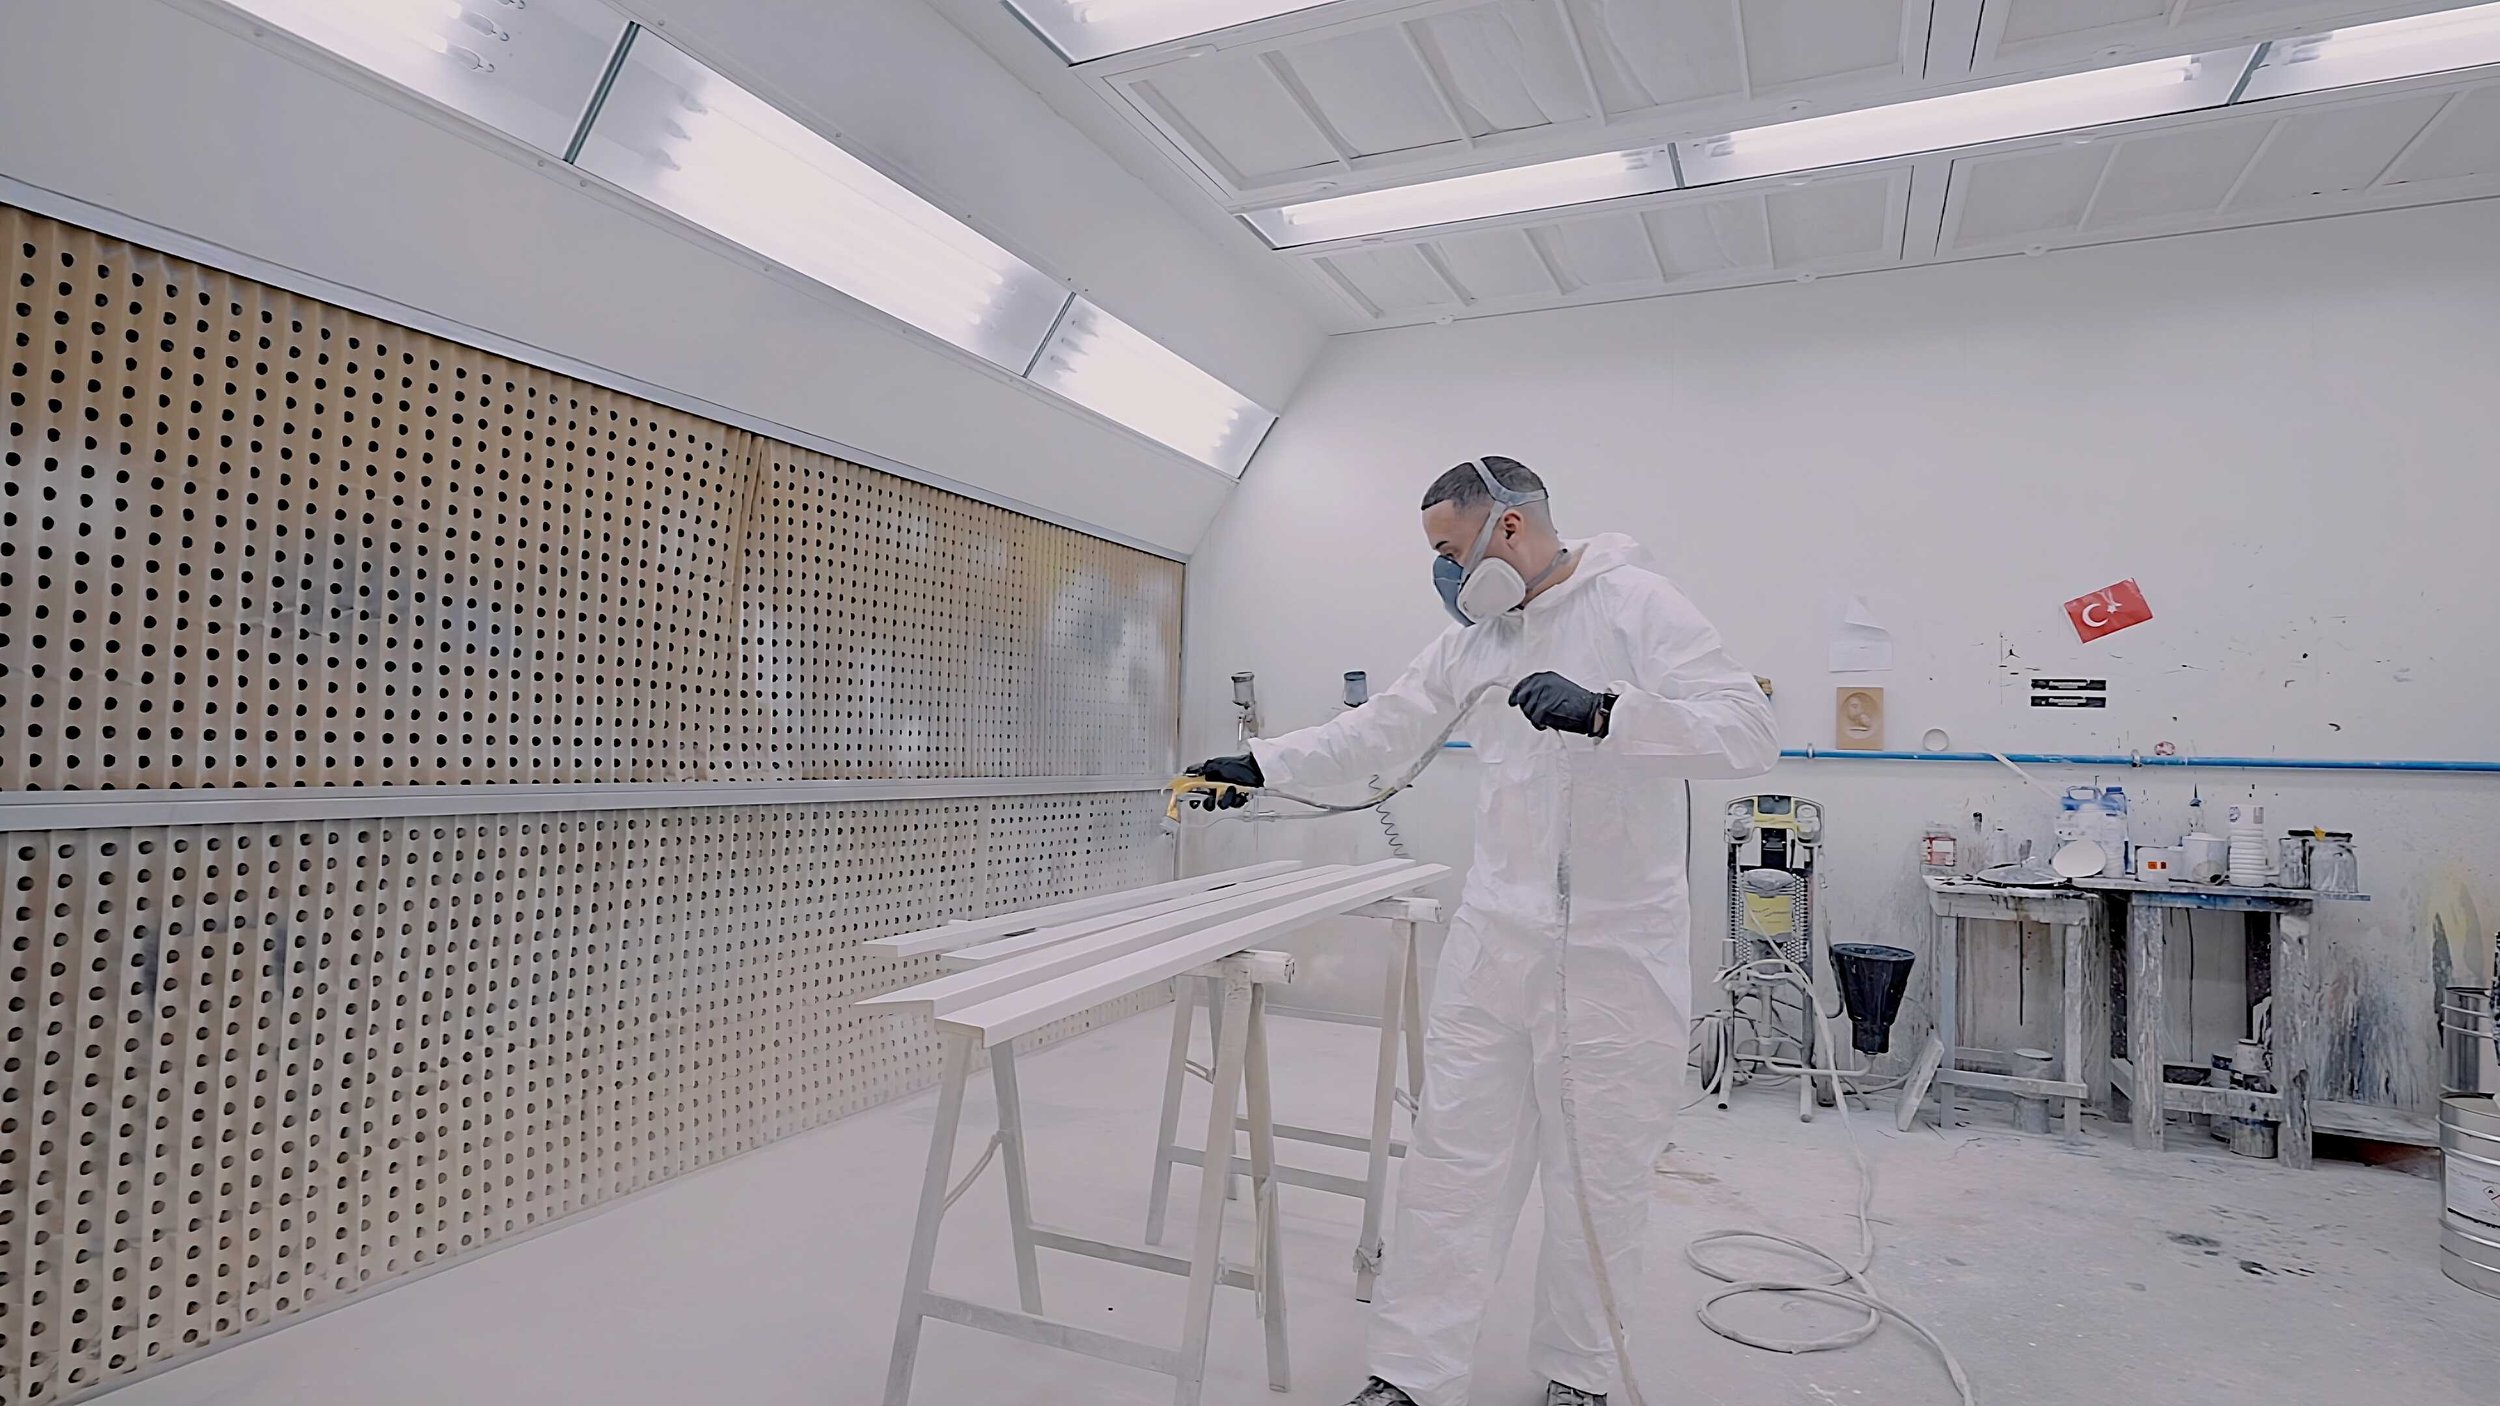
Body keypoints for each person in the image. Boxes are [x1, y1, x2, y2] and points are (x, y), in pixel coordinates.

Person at [1185, 457, 1777, 1406]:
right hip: (1496, 941)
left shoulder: (1635, 603)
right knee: (1452, 1161)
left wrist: (1610, 713)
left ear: (1508, 528)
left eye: (1449, 550)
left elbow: (1748, 731)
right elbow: (1381, 729)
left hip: (1615, 954)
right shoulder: (1476, 643)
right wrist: (1259, 764)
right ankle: (1411, 1373)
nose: (1445, 574)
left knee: (1597, 1176)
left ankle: (1580, 1375)